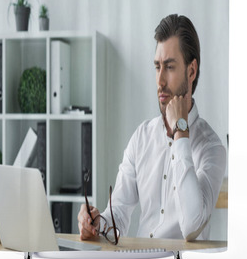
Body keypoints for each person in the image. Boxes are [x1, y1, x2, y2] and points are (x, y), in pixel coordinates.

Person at [78, 14, 226, 241]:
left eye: (169, 67)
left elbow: (192, 226)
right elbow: (118, 211)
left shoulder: (212, 148)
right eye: (157, 67)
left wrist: (181, 131)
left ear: (191, 71)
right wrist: (98, 223)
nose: (159, 81)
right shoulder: (141, 138)